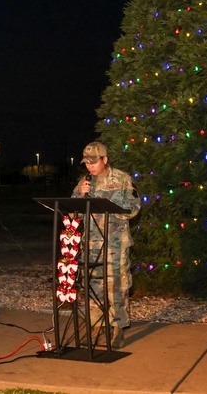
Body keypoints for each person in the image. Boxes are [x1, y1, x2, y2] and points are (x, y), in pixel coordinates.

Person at [70, 141, 141, 349]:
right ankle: (95, 326)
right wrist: (81, 195)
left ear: (105, 160)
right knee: (93, 286)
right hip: (91, 244)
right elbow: (73, 211)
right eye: (87, 163)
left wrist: (109, 202)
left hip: (114, 244)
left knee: (116, 286)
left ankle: (118, 327)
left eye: (94, 162)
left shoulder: (121, 179)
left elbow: (135, 207)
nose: (90, 167)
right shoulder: (84, 182)